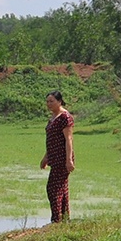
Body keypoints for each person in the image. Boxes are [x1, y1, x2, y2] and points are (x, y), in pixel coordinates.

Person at [40, 90, 75, 223]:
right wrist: (46, 157)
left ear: (59, 102)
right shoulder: (53, 117)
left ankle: (56, 220)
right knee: (62, 189)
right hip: (54, 157)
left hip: (63, 158)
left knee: (53, 188)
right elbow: (52, 140)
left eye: (52, 101)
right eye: (47, 101)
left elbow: (68, 139)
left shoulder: (65, 117)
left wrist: (69, 160)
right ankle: (64, 219)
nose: (49, 104)